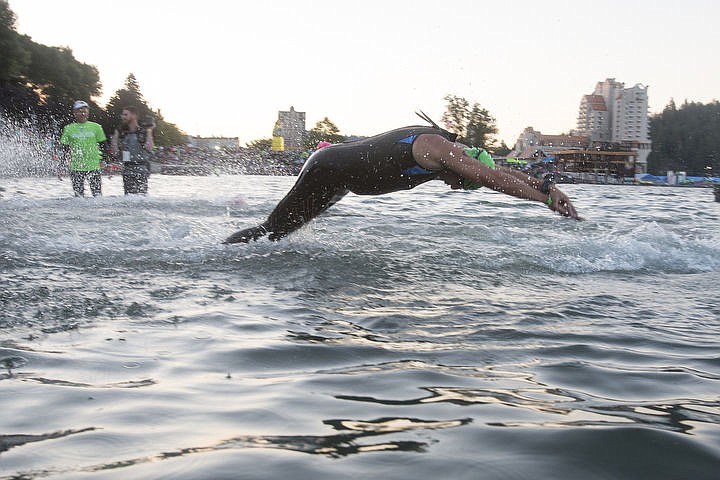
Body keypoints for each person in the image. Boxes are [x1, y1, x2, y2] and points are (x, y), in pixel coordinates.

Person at [224, 117, 580, 244]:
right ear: (461, 168)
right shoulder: (440, 150)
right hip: (328, 168)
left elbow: (501, 172)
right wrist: (545, 202)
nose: (455, 186)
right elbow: (493, 179)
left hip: (342, 180)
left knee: (283, 233)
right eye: (461, 182)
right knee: (272, 230)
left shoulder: (458, 158)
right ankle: (219, 253)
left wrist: (548, 188)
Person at [59, 100, 108, 197]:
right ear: (74, 113)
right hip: (76, 167)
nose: (82, 113)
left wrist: (104, 160)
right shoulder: (68, 128)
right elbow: (64, 148)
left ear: (88, 112)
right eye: (79, 110)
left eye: (84, 110)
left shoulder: (96, 127)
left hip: (94, 166)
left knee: (97, 196)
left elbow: (103, 145)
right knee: (78, 197)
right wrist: (61, 165)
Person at [110, 106, 155, 194]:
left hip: (141, 170)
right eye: (122, 114)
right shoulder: (122, 133)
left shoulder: (143, 131)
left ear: (134, 115)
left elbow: (149, 148)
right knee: (128, 199)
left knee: (141, 199)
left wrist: (150, 130)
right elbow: (115, 152)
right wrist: (115, 136)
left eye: (125, 114)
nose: (123, 117)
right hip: (127, 169)